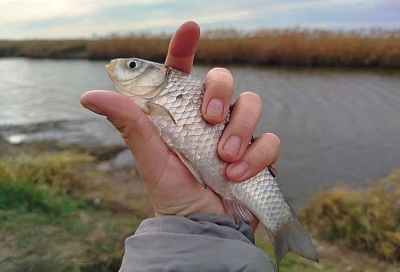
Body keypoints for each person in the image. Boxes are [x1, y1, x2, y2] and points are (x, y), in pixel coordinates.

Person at [80, 21, 280, 272]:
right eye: (132, 65)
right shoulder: (144, 106)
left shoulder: (159, 95)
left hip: (228, 198)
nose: (121, 67)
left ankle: (280, 222)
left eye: (132, 66)